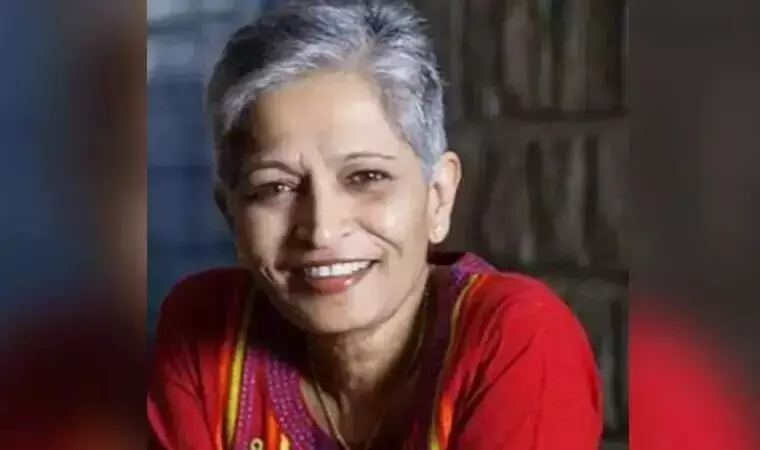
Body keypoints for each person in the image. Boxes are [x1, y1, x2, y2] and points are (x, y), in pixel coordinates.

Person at [147, 1, 601, 449]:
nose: (322, 230)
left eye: (366, 177)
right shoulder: (202, 328)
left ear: (438, 196)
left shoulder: (515, 337)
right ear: (231, 214)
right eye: (275, 187)